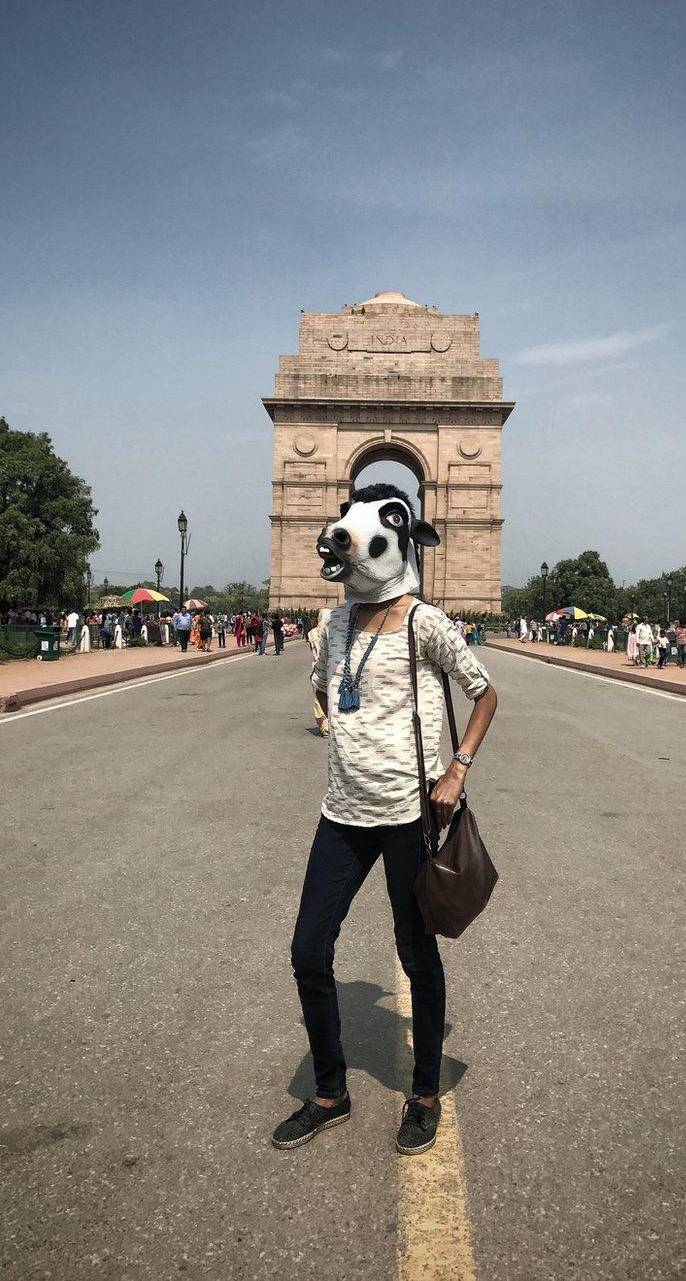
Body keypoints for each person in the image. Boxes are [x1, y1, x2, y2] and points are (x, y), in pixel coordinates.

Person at [272, 483, 498, 1157]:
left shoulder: (424, 620)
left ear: (406, 542)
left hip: (408, 815)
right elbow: (325, 688)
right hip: (341, 813)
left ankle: (424, 1093)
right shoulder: (334, 622)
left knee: (415, 951)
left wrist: (456, 769)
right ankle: (331, 1091)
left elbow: (485, 692)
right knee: (308, 949)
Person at [308, 609, 332, 736]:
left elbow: (312, 650)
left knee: (318, 696)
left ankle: (324, 726)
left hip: (317, 667)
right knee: (332, 697)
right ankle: (332, 724)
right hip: (332, 667)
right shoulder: (332, 631)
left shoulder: (312, 633)